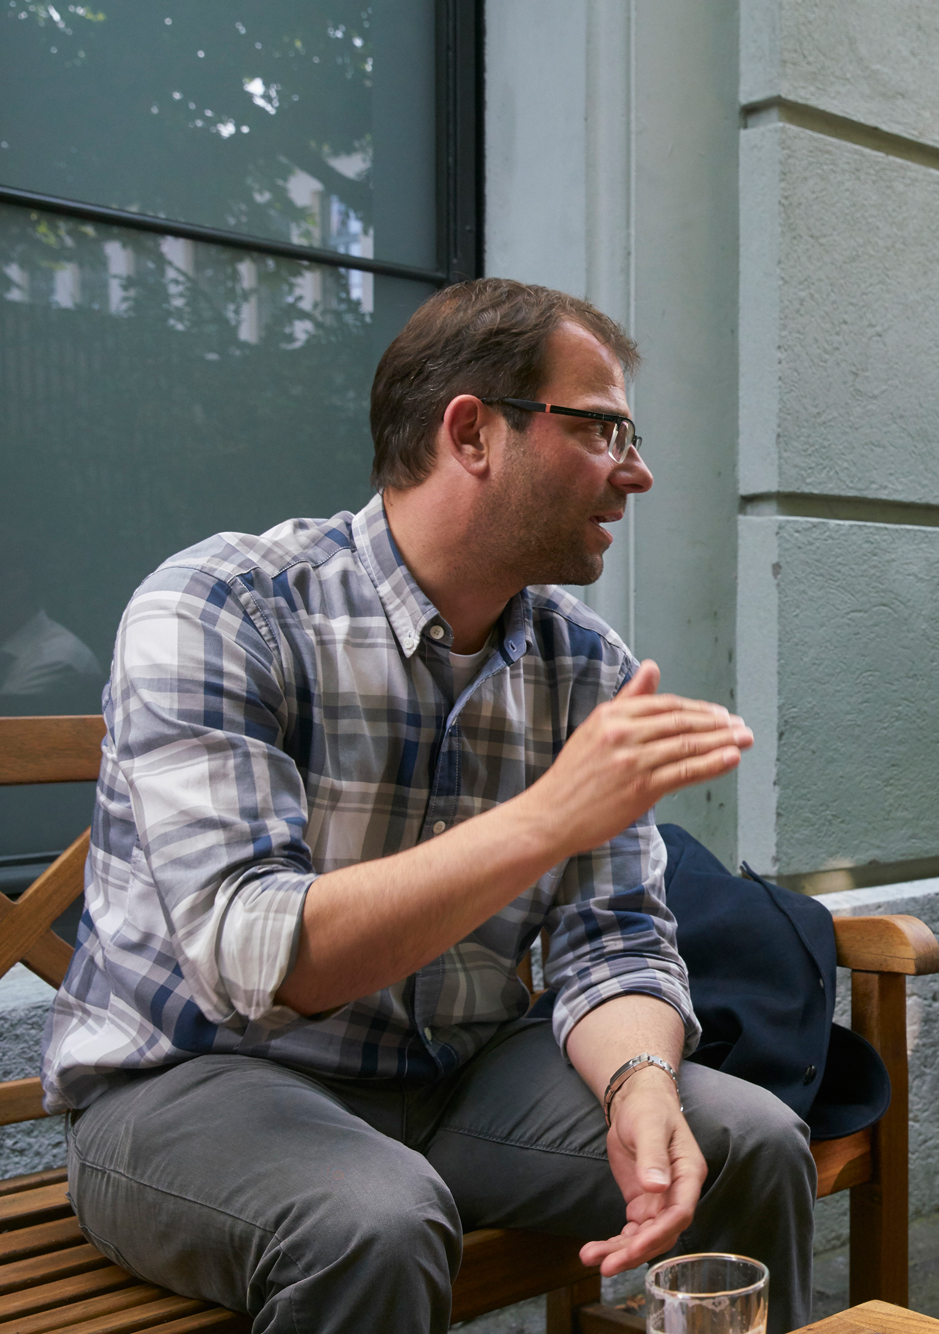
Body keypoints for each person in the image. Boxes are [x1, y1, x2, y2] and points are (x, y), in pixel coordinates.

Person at [41, 279, 817, 1333]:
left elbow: (617, 937)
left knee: (747, 1141)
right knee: (375, 1218)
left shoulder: (584, 665)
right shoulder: (226, 606)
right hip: (192, 1084)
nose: (636, 472)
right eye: (602, 429)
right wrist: (548, 814)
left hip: (453, 1079)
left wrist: (640, 1081)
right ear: (471, 431)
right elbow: (254, 952)